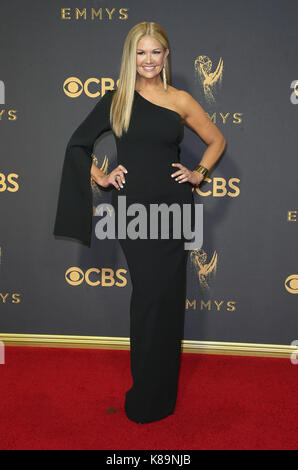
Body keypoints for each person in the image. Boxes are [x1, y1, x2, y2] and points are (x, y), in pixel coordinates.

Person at [53, 21, 226, 424]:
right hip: (135, 214)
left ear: (166, 56)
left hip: (175, 211)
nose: (148, 60)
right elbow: (78, 143)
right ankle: (145, 393)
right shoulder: (118, 99)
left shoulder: (181, 100)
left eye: (155, 52)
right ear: (131, 57)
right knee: (148, 299)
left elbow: (216, 139)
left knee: (167, 302)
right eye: (140, 52)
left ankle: (163, 396)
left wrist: (199, 172)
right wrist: (101, 175)